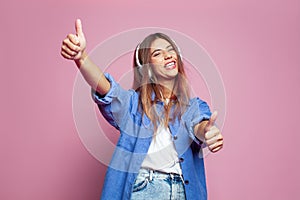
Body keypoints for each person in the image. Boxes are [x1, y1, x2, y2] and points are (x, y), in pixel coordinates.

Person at [61, 19, 224, 200]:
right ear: (147, 68)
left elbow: (200, 126)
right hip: (146, 189)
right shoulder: (132, 104)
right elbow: (105, 88)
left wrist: (207, 132)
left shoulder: (194, 106)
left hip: (184, 193)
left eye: (171, 50)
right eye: (158, 53)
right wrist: (81, 57)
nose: (168, 55)